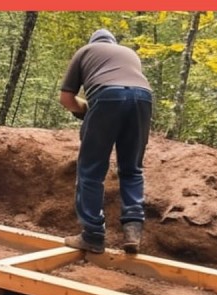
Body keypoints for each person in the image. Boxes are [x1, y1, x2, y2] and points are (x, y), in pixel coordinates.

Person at [58, 29, 153, 254]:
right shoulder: (130, 54)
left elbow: (66, 99)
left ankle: (92, 235)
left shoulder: (85, 51)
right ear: (114, 42)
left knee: (91, 169)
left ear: (93, 42)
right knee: (132, 168)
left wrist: (87, 110)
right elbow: (128, 90)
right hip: (143, 98)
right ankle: (132, 230)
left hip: (107, 96)